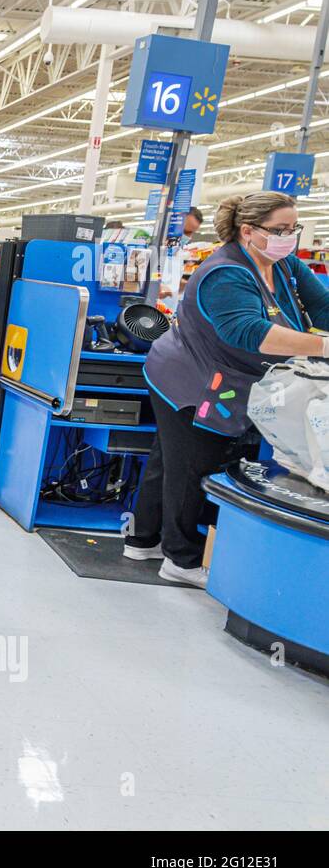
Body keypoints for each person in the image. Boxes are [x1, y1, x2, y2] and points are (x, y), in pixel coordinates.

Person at [127, 191, 329, 587]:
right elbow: (249, 332)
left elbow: (322, 307)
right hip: (192, 380)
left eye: (293, 229)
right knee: (192, 465)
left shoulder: (284, 264)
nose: (288, 237)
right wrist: (322, 346)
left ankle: (142, 540)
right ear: (247, 230)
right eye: (279, 230)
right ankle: (180, 561)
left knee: (169, 460)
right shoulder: (225, 272)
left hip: (228, 377)